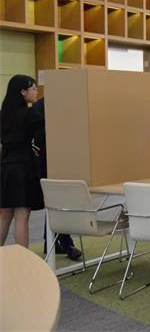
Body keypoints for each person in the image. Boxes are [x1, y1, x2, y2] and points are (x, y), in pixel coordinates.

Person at [32, 98, 82, 261]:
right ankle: (66, 244)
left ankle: (51, 243)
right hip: (48, 163)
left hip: (52, 162)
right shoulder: (42, 107)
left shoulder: (43, 105)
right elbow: (42, 136)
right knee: (57, 203)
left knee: (54, 204)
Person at [0, 75, 44, 247]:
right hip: (22, 168)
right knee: (22, 215)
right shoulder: (29, 114)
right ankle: (22, 258)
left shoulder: (3, 114)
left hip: (5, 166)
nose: (36, 91)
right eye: (33, 88)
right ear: (23, 92)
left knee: (5, 215)